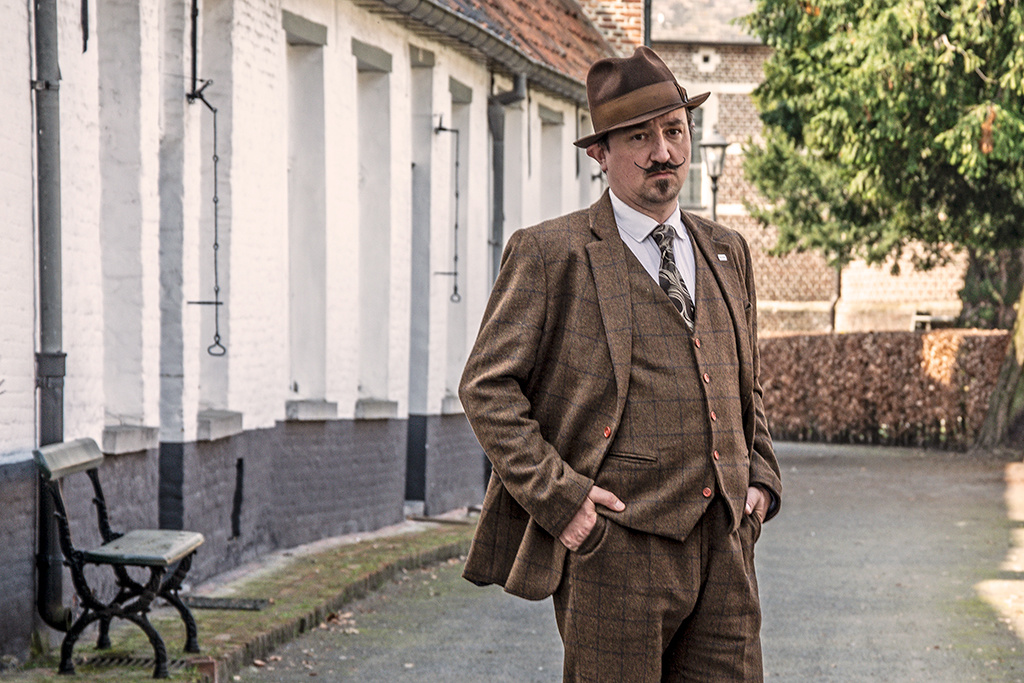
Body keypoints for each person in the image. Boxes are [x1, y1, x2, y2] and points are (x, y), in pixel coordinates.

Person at [459, 45, 782, 682]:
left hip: (726, 544)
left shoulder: (727, 252)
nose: (663, 151)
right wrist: (563, 500)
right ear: (600, 154)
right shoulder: (553, 254)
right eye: (639, 137)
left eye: (674, 130)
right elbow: (486, 388)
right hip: (616, 548)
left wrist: (762, 481)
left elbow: (748, 384)